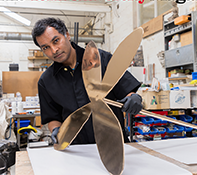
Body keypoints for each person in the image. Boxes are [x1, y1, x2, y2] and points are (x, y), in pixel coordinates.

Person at [32, 17, 142, 145]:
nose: (53, 50)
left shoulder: (101, 60)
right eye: (46, 47)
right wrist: (56, 130)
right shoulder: (46, 81)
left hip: (114, 145)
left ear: (67, 35)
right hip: (77, 149)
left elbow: (126, 91)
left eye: (56, 41)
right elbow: (52, 117)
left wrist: (133, 98)